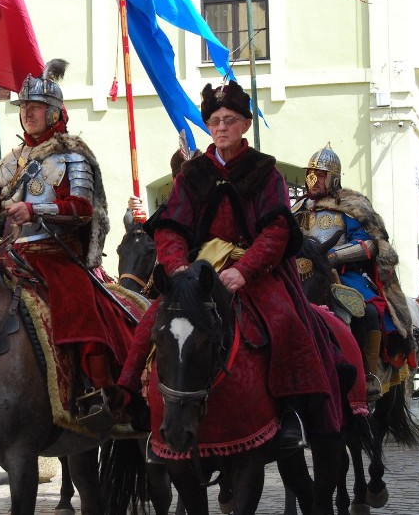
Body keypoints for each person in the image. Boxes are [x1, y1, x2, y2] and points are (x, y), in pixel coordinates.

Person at [117, 81, 346, 449]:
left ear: (245, 125)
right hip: (198, 270)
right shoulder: (192, 175)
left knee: (285, 319)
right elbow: (171, 229)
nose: (222, 127)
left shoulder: (266, 173)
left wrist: (245, 270)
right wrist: (176, 269)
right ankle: (133, 402)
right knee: (153, 320)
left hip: (255, 269)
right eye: (215, 120)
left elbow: (275, 231)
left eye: (230, 120)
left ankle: (292, 411)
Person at [0, 59, 133, 410]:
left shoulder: (72, 156)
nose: (27, 113)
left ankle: (98, 388)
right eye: (24, 107)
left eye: (36, 107)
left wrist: (35, 210)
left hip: (56, 253)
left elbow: (82, 209)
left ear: (54, 113)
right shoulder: (12, 159)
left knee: (78, 307)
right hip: (10, 253)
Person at [292, 142, 415, 401]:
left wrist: (334, 256)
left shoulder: (350, 206)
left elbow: (369, 243)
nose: (313, 179)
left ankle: (369, 373)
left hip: (343, 273)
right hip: (300, 273)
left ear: (333, 178)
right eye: (310, 173)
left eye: (320, 174)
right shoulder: (298, 209)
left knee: (368, 309)